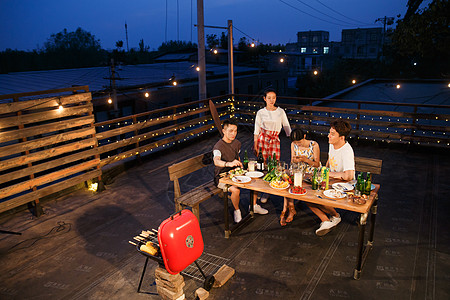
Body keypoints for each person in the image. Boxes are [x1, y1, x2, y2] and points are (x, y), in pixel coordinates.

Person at [213, 119, 268, 223]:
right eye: (230, 131)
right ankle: (237, 210)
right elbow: (216, 161)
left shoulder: (237, 143)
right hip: (221, 177)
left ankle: (254, 205)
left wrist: (240, 165)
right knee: (235, 190)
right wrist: (228, 164)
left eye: (235, 131)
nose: (233, 133)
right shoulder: (218, 146)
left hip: (235, 175)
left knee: (256, 179)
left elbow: (237, 157)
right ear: (224, 131)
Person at [307, 119, 355, 236]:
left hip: (344, 185)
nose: (328, 136)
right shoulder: (332, 144)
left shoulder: (347, 151)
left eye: (332, 134)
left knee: (317, 198)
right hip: (331, 181)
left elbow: (349, 176)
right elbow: (330, 159)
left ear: (342, 138)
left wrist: (327, 173)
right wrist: (324, 170)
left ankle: (335, 216)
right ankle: (326, 220)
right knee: (307, 196)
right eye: (329, 132)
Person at [254, 88, 291, 203]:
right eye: (269, 98)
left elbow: (287, 126)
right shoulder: (261, 112)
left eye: (273, 98)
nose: (271, 100)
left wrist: (293, 140)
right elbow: (256, 130)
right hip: (262, 140)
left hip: (274, 140)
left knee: (273, 165)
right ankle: (260, 188)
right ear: (264, 99)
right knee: (261, 165)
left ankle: (268, 191)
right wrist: (255, 144)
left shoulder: (280, 111)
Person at [280, 128, 321, 226]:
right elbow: (292, 161)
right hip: (297, 170)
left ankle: (287, 210)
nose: (298, 144)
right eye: (295, 143)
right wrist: (296, 160)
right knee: (287, 182)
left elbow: (317, 164)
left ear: (304, 136)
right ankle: (289, 208)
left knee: (292, 183)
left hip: (310, 171)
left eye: (299, 142)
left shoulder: (314, 145)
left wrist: (305, 159)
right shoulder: (293, 144)